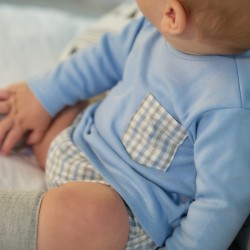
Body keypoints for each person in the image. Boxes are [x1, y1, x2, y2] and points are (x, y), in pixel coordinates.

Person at [0, 0, 249, 249]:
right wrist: (42, 96)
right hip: (83, 141)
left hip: (125, 209)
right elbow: (102, 60)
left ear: (172, 14)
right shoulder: (153, 31)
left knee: (86, 218)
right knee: (47, 106)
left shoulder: (228, 106)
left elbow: (222, 204)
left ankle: (14, 221)